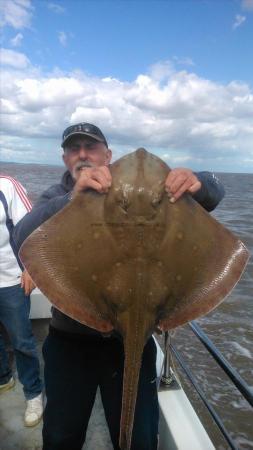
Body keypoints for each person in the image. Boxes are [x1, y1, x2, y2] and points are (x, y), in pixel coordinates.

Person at [13, 122, 225, 450]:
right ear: (65, 158)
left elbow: (214, 193)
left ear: (108, 155)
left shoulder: (161, 193)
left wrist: (199, 183)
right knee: (60, 436)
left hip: (131, 345)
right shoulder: (58, 196)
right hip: (70, 343)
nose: (82, 154)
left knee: (139, 439)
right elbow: (22, 236)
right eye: (74, 148)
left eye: (91, 147)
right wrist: (75, 197)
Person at [0, 175, 43, 427]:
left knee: (22, 341)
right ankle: (4, 378)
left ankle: (34, 393)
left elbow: (33, 227)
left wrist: (30, 268)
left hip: (10, 281)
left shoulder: (7, 185)